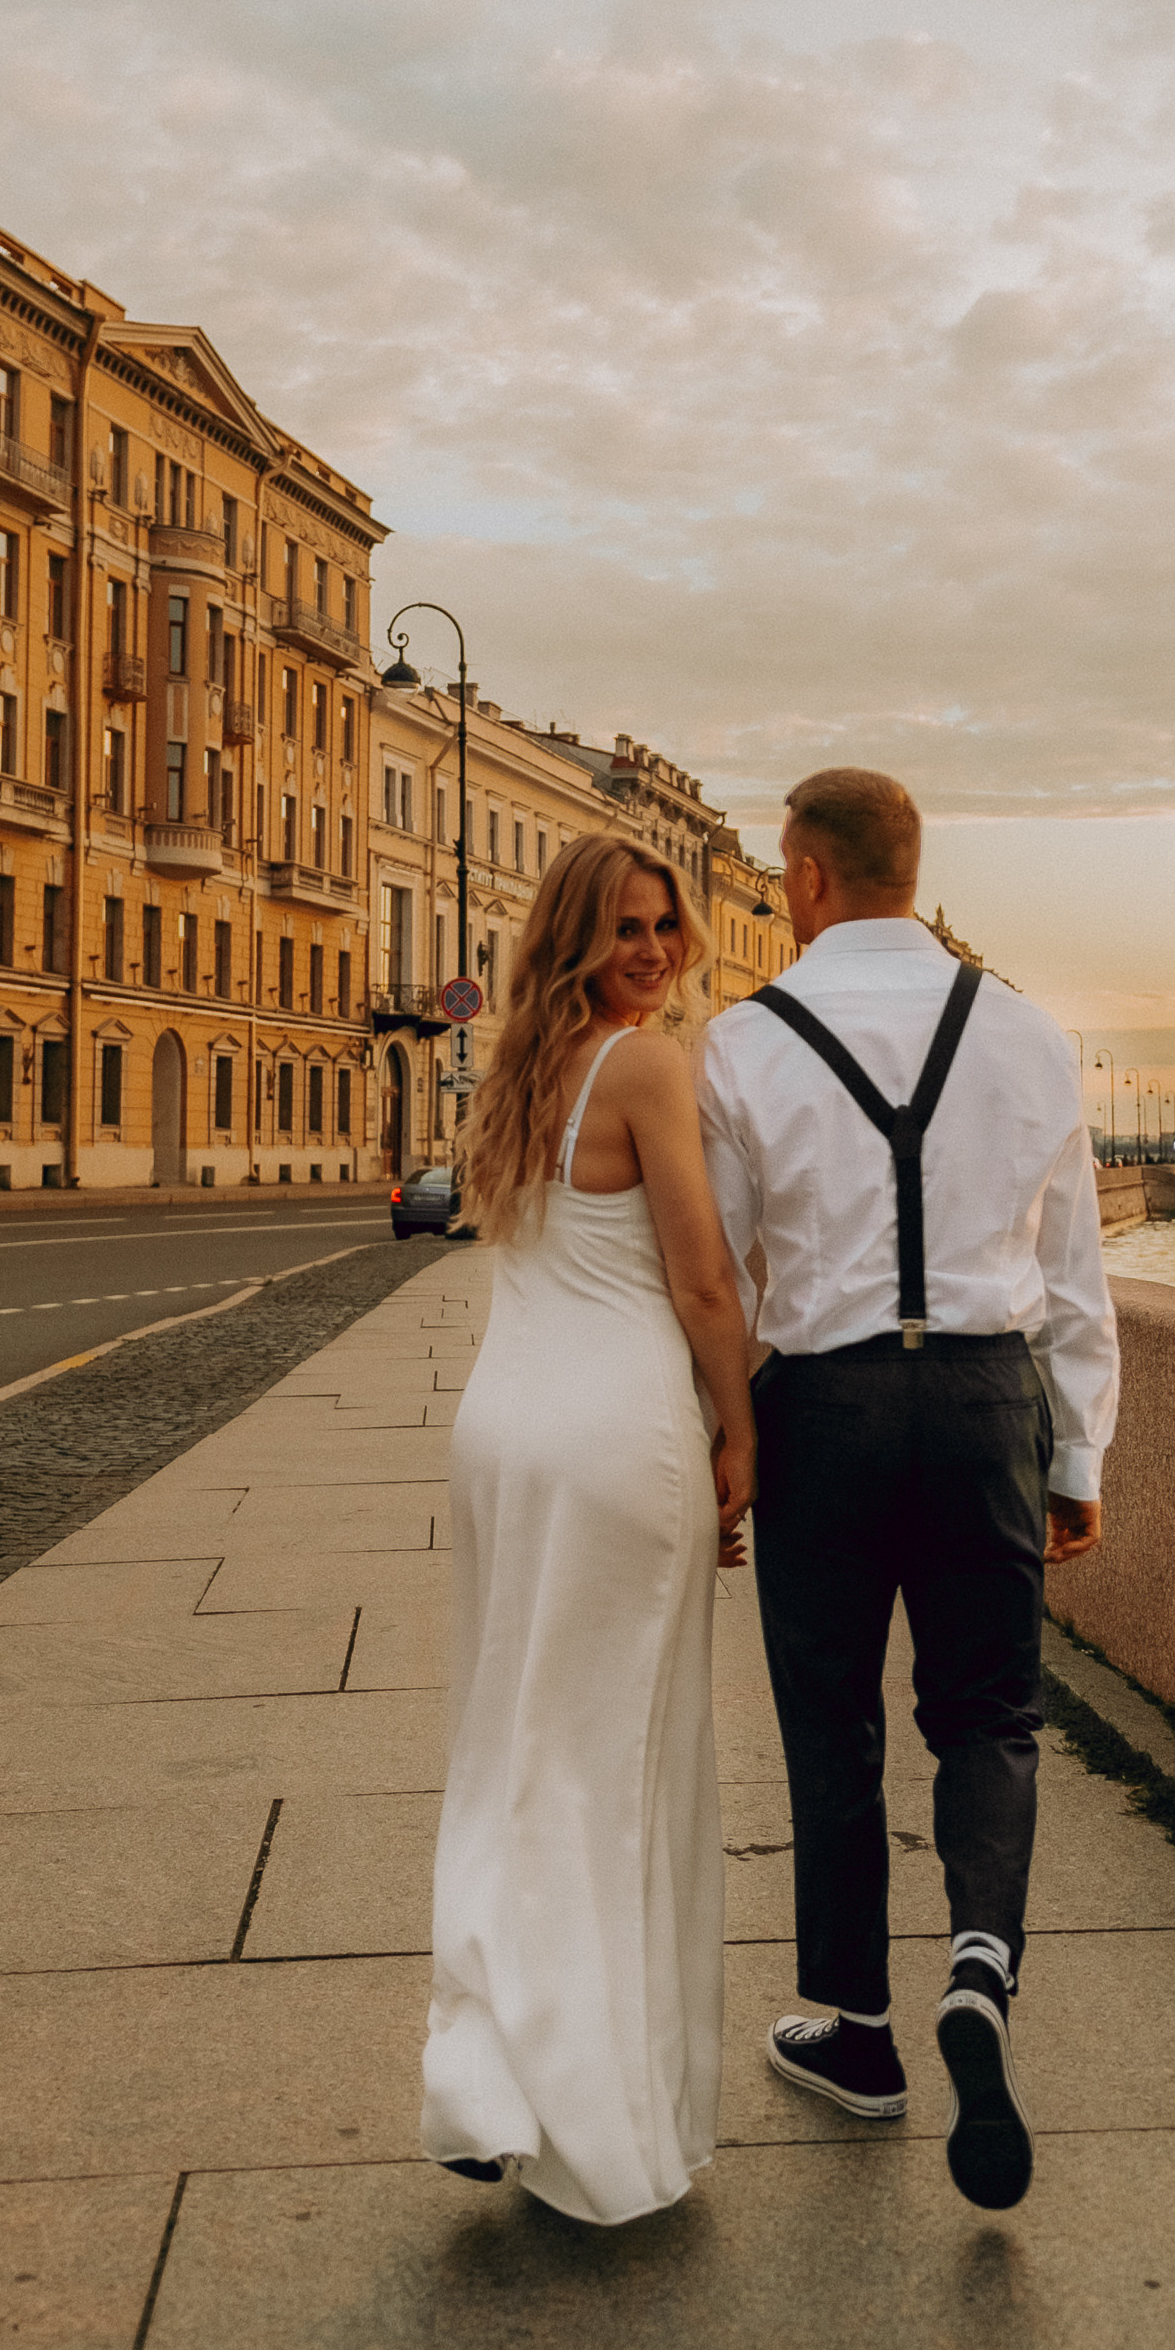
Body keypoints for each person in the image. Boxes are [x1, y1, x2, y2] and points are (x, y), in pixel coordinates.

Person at [697, 768, 1118, 2212]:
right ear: (912, 866)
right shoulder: (1027, 1035)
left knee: (832, 1724)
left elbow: (728, 1281)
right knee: (991, 1714)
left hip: (824, 1401)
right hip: (989, 1397)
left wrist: (724, 1447)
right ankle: (981, 1971)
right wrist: (1075, 1454)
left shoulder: (744, 1044)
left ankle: (858, 2034)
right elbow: (1073, 1274)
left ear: (805, 878)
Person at [420, 834, 758, 2224]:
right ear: (575, 935)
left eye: (666, 925)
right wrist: (740, 1429)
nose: (655, 949)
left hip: (506, 1432)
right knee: (612, 1770)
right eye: (627, 927)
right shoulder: (642, 1065)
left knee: (514, 1752)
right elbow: (699, 1280)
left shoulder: (516, 1072)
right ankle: (582, 2115)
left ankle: (483, 2071)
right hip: (617, 1441)